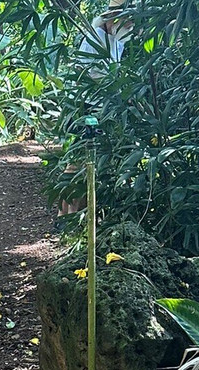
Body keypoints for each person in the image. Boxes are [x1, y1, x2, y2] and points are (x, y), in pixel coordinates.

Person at [58, 0, 133, 217]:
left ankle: (81, 213)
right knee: (79, 161)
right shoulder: (95, 37)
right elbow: (92, 76)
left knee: (93, 162)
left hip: (104, 106)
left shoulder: (116, 37)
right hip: (87, 106)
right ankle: (66, 214)